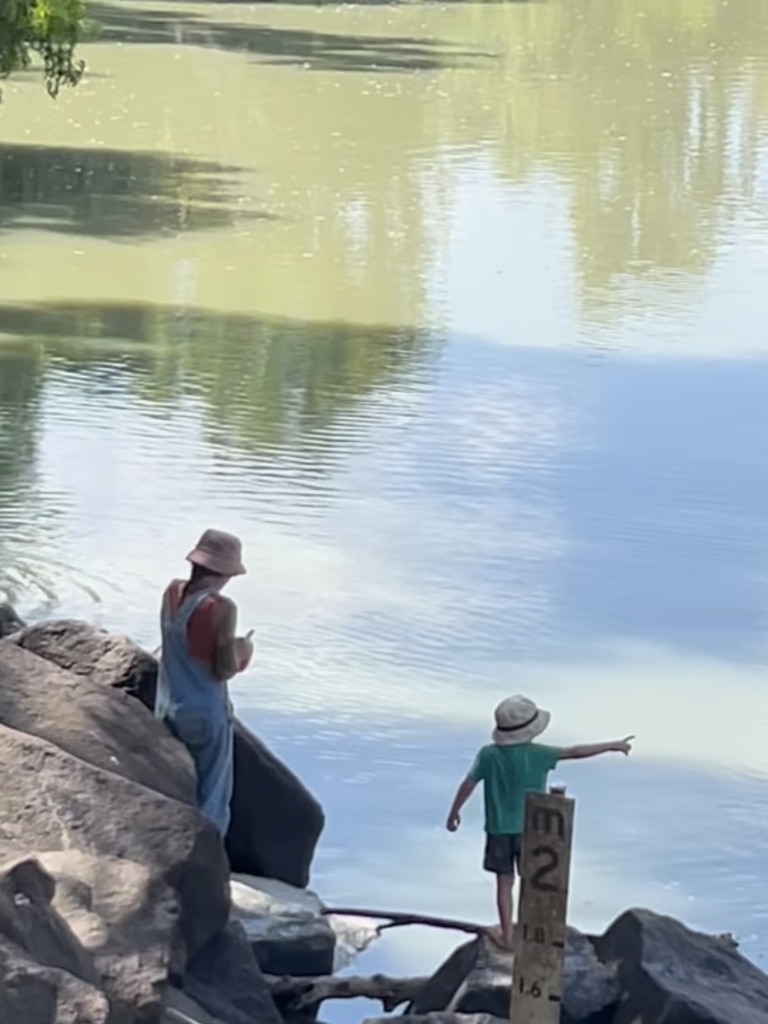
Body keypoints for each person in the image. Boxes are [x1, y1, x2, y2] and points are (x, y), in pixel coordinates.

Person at [445, 694, 633, 950]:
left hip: (499, 829)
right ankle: (535, 929)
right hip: (533, 829)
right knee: (533, 881)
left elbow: (468, 784)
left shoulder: (488, 755)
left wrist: (454, 812)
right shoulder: (540, 754)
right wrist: (612, 745)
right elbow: (575, 752)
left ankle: (507, 937)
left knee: (503, 882)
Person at [155, 528, 253, 837]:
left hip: (166, 707)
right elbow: (222, 668)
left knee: (172, 785)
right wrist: (243, 650)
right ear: (224, 573)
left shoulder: (172, 593)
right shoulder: (220, 608)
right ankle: (204, 861)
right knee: (211, 795)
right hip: (204, 714)